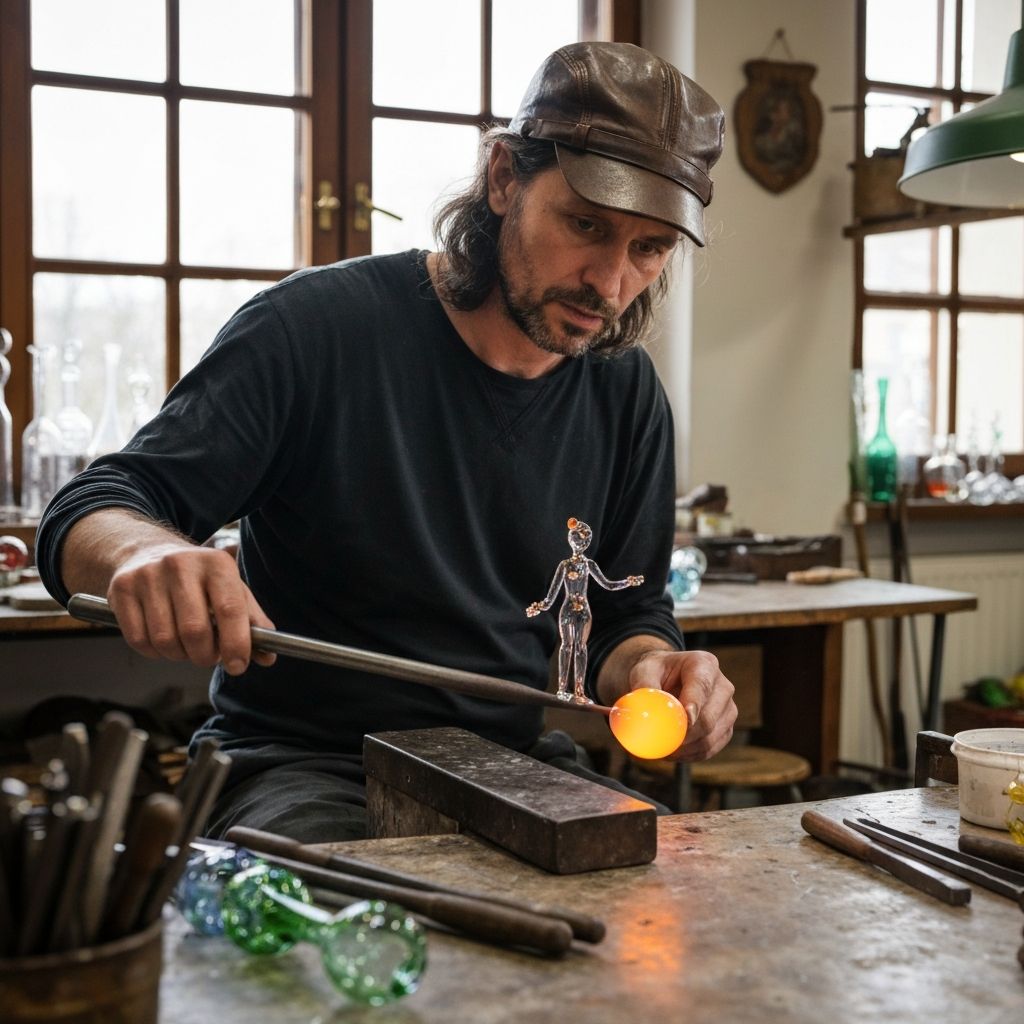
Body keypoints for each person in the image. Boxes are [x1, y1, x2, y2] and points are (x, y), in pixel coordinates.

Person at [36, 41, 737, 843]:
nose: (611, 283)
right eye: (586, 225)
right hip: (299, 762)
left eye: (648, 249)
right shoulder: (313, 330)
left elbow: (625, 616)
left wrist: (655, 667)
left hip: (504, 762)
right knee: (345, 939)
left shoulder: (626, 393)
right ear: (505, 177)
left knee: (669, 913)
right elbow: (92, 507)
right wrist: (140, 555)